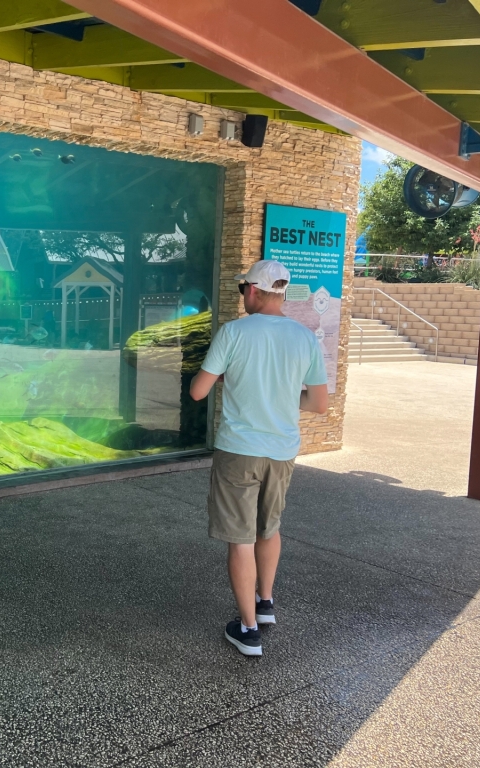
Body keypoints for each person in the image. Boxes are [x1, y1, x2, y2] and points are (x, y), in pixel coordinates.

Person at [189, 260, 328, 657]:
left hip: (239, 450)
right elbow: (319, 403)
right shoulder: (305, 337)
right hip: (282, 451)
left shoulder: (233, 332)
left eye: (242, 290)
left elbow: (198, 391)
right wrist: (280, 395)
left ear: (252, 290)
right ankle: (265, 603)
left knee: (240, 538)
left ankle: (248, 630)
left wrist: (227, 378)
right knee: (269, 528)